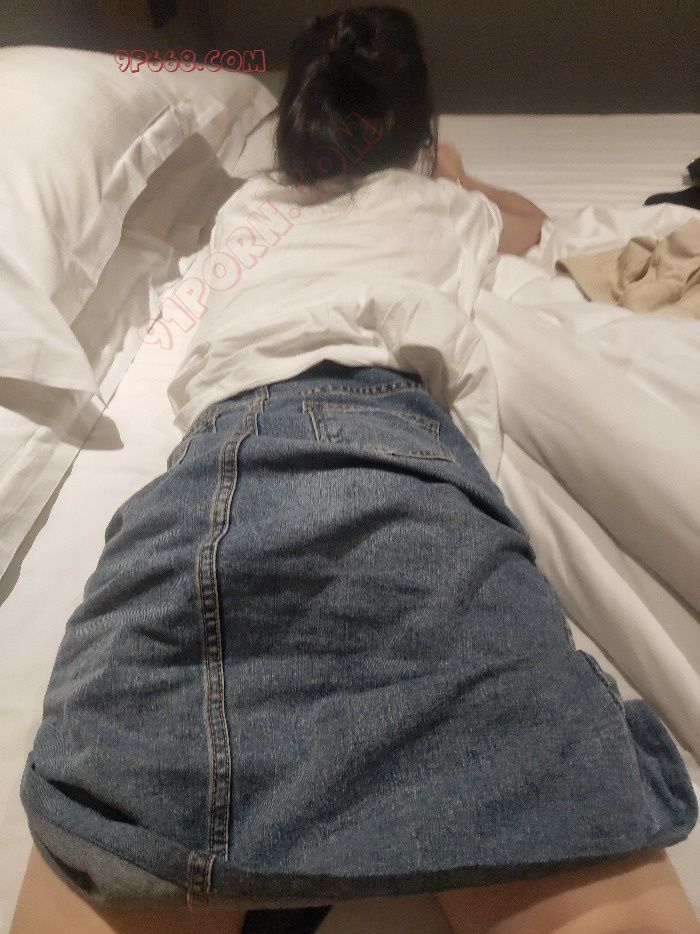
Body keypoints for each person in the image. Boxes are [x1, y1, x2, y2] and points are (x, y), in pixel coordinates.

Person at [12, 6, 698, 933]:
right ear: (420, 136)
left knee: (129, 815)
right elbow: (534, 226)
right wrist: (451, 172)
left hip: (215, 475)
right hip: (391, 451)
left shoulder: (250, 211)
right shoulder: (445, 207)